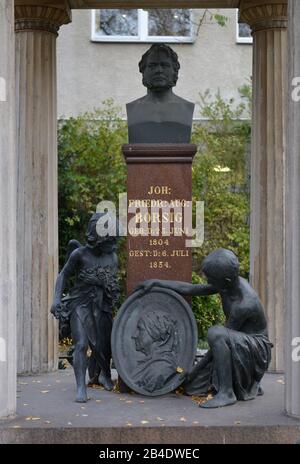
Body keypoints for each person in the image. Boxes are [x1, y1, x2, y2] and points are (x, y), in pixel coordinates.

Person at [136, 248, 272, 408]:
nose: (208, 282)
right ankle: (245, 382)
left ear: (225, 281)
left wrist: (193, 371)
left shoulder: (244, 304)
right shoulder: (229, 284)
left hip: (256, 351)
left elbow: (219, 342)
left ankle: (227, 393)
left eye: (211, 279)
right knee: (191, 387)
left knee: (215, 333)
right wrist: (157, 282)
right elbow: (193, 289)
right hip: (239, 342)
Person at [51, 213, 119, 402]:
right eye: (110, 238)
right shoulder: (79, 254)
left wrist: (98, 281)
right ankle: (81, 387)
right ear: (98, 237)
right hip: (80, 304)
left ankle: (104, 374)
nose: (113, 242)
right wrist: (56, 299)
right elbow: (63, 275)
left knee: (103, 346)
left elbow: (113, 288)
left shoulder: (112, 258)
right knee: (81, 344)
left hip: (101, 306)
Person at [126, 43, 194, 143]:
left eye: (165, 65)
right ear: (143, 71)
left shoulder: (186, 108)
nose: (159, 70)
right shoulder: (133, 108)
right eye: (152, 66)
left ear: (175, 71)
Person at [132, 310, 179, 393]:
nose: (134, 335)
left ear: (155, 334)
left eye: (140, 329)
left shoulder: (161, 369)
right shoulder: (148, 363)